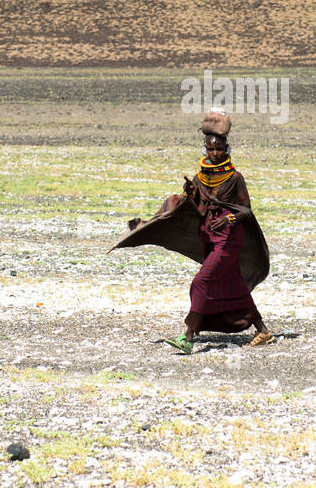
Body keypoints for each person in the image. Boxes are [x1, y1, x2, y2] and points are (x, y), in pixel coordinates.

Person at [110, 110, 275, 354]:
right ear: (205, 150)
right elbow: (197, 206)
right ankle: (263, 331)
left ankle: (188, 336)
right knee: (235, 285)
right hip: (209, 236)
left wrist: (229, 218)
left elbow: (246, 210)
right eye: (211, 149)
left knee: (201, 282)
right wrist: (190, 192)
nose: (215, 153)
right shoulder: (201, 176)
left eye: (219, 149)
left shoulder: (235, 177)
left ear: (226, 149)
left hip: (229, 239)